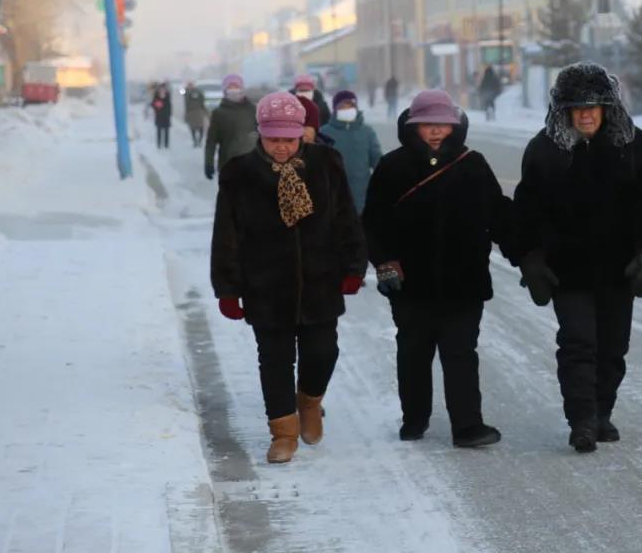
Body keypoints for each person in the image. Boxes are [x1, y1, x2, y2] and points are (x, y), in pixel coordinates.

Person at [513, 62, 642, 453]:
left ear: (607, 109)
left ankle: (602, 412)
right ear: (563, 110)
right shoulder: (544, 150)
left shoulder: (631, 146)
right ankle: (581, 420)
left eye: (593, 106)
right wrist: (529, 259)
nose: (585, 114)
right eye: (576, 107)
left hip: (618, 269)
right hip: (567, 270)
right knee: (578, 343)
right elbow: (525, 213)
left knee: (613, 347)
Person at [210, 92, 368, 464]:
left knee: (322, 351)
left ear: (302, 135)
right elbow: (225, 234)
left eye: (288, 139)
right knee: (275, 360)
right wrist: (228, 289)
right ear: (260, 136)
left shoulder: (327, 164)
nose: (281, 147)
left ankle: (309, 401)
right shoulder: (240, 173)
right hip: (265, 286)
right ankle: (283, 432)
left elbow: (347, 218)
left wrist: (354, 267)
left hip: (321, 281)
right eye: (273, 139)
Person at [363, 90, 510, 448]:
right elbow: (373, 223)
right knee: (413, 352)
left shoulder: (473, 164)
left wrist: (528, 251)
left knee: (461, 354)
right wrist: (384, 265)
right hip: (410, 284)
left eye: (442, 125)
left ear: (454, 126)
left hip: (464, 282)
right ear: (413, 127)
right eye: (427, 125)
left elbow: (499, 214)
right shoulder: (392, 166)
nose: (435, 132)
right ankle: (414, 419)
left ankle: (467, 426)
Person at [323, 90, 382, 212]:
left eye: (350, 106)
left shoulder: (367, 132)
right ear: (335, 110)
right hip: (332, 196)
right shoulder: (324, 133)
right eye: (342, 107)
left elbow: (377, 161)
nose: (347, 109)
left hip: (362, 196)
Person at [205, 74, 257, 182]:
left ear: (242, 89)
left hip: (253, 165)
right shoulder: (218, 113)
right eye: (230, 88)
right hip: (228, 164)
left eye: (236, 87)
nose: (233, 90)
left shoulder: (253, 110)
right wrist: (208, 163)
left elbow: (264, 137)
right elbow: (211, 141)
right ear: (225, 91)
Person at [184, 81, 209, 147]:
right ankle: (195, 141)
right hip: (191, 112)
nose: (190, 86)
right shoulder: (186, 92)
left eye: (191, 85)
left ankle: (199, 141)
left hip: (197, 111)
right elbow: (186, 103)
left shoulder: (197, 91)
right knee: (193, 128)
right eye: (189, 85)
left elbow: (202, 100)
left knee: (200, 127)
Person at [151, 84, 172, 149]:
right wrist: (157, 105)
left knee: (166, 131)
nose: (162, 90)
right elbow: (153, 104)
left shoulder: (167, 96)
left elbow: (169, 106)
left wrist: (169, 114)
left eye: (163, 89)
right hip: (159, 116)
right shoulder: (156, 96)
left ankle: (166, 144)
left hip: (166, 116)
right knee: (159, 131)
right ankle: (159, 144)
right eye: (161, 89)